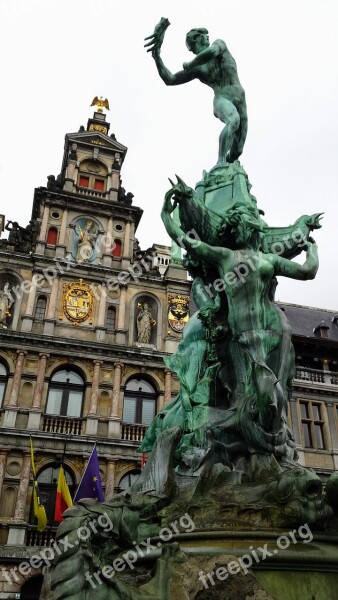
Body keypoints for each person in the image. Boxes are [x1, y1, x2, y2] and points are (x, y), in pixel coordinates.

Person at [161, 187, 319, 436]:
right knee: (244, 396)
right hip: (241, 334)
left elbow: (307, 271)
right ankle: (248, 442)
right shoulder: (226, 256)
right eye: (246, 225)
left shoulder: (268, 260)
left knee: (274, 391)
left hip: (274, 329)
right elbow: (187, 242)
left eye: (252, 225)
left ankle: (273, 441)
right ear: (236, 230)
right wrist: (166, 215)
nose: (250, 228)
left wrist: (313, 250)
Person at [145, 19, 248, 164]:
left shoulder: (219, 45)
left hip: (240, 98)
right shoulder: (199, 69)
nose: (207, 37)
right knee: (233, 120)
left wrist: (190, 63)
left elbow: (211, 52)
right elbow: (170, 79)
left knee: (237, 151)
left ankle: (229, 172)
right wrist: (157, 56)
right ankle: (220, 163)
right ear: (196, 39)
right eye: (204, 35)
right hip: (221, 98)